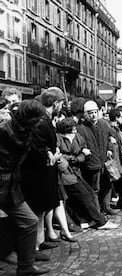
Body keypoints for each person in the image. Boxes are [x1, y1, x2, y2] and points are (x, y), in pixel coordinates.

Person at [0, 100, 49, 275]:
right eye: (38, 118)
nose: (40, 121)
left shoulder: (24, 130)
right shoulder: (5, 129)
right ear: (31, 118)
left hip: (10, 186)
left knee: (29, 221)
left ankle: (26, 267)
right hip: (4, 183)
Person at [21, 88, 65, 258]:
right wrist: (52, 155)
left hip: (44, 172)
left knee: (42, 209)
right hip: (38, 174)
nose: (61, 107)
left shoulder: (45, 119)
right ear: (55, 103)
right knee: (37, 209)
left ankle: (40, 241)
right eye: (61, 103)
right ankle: (35, 247)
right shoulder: (42, 120)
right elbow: (37, 148)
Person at [56, 118, 119, 230]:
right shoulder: (59, 139)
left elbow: (84, 149)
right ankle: (100, 221)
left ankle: (84, 220)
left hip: (76, 171)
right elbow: (60, 156)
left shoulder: (76, 137)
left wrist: (79, 157)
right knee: (83, 195)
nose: (75, 131)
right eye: (73, 129)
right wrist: (75, 158)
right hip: (66, 173)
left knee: (87, 193)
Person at [76, 100, 116, 215]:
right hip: (92, 162)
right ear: (86, 114)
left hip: (104, 160)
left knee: (107, 184)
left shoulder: (103, 124)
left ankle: (106, 206)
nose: (94, 115)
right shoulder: (81, 128)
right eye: (90, 113)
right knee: (95, 189)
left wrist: (109, 148)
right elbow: (81, 144)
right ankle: (97, 213)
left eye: (95, 112)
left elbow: (110, 137)